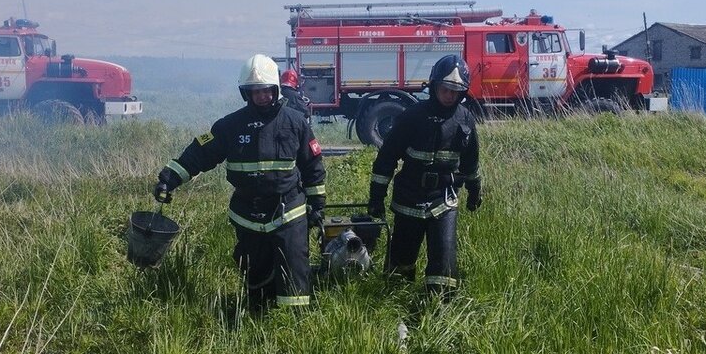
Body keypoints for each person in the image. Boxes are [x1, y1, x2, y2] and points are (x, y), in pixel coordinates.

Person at [154, 54, 326, 314]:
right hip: (247, 215)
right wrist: (168, 179)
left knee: (294, 270)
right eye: (255, 92)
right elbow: (199, 155)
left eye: (267, 90)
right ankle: (258, 318)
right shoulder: (230, 126)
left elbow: (313, 166)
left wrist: (317, 206)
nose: (262, 96)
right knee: (255, 273)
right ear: (246, 93)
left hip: (288, 212)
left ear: (276, 90)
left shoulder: (295, 122)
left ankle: (294, 325)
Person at [368, 54, 481, 298]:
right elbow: (386, 158)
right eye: (445, 88)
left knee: (444, 264)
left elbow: (471, 162)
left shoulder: (466, 120)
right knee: (400, 266)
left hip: (444, 201)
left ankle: (438, 309)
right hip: (408, 198)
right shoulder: (412, 117)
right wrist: (376, 197)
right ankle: (393, 307)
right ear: (434, 85)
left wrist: (475, 191)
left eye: (455, 90)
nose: (450, 95)